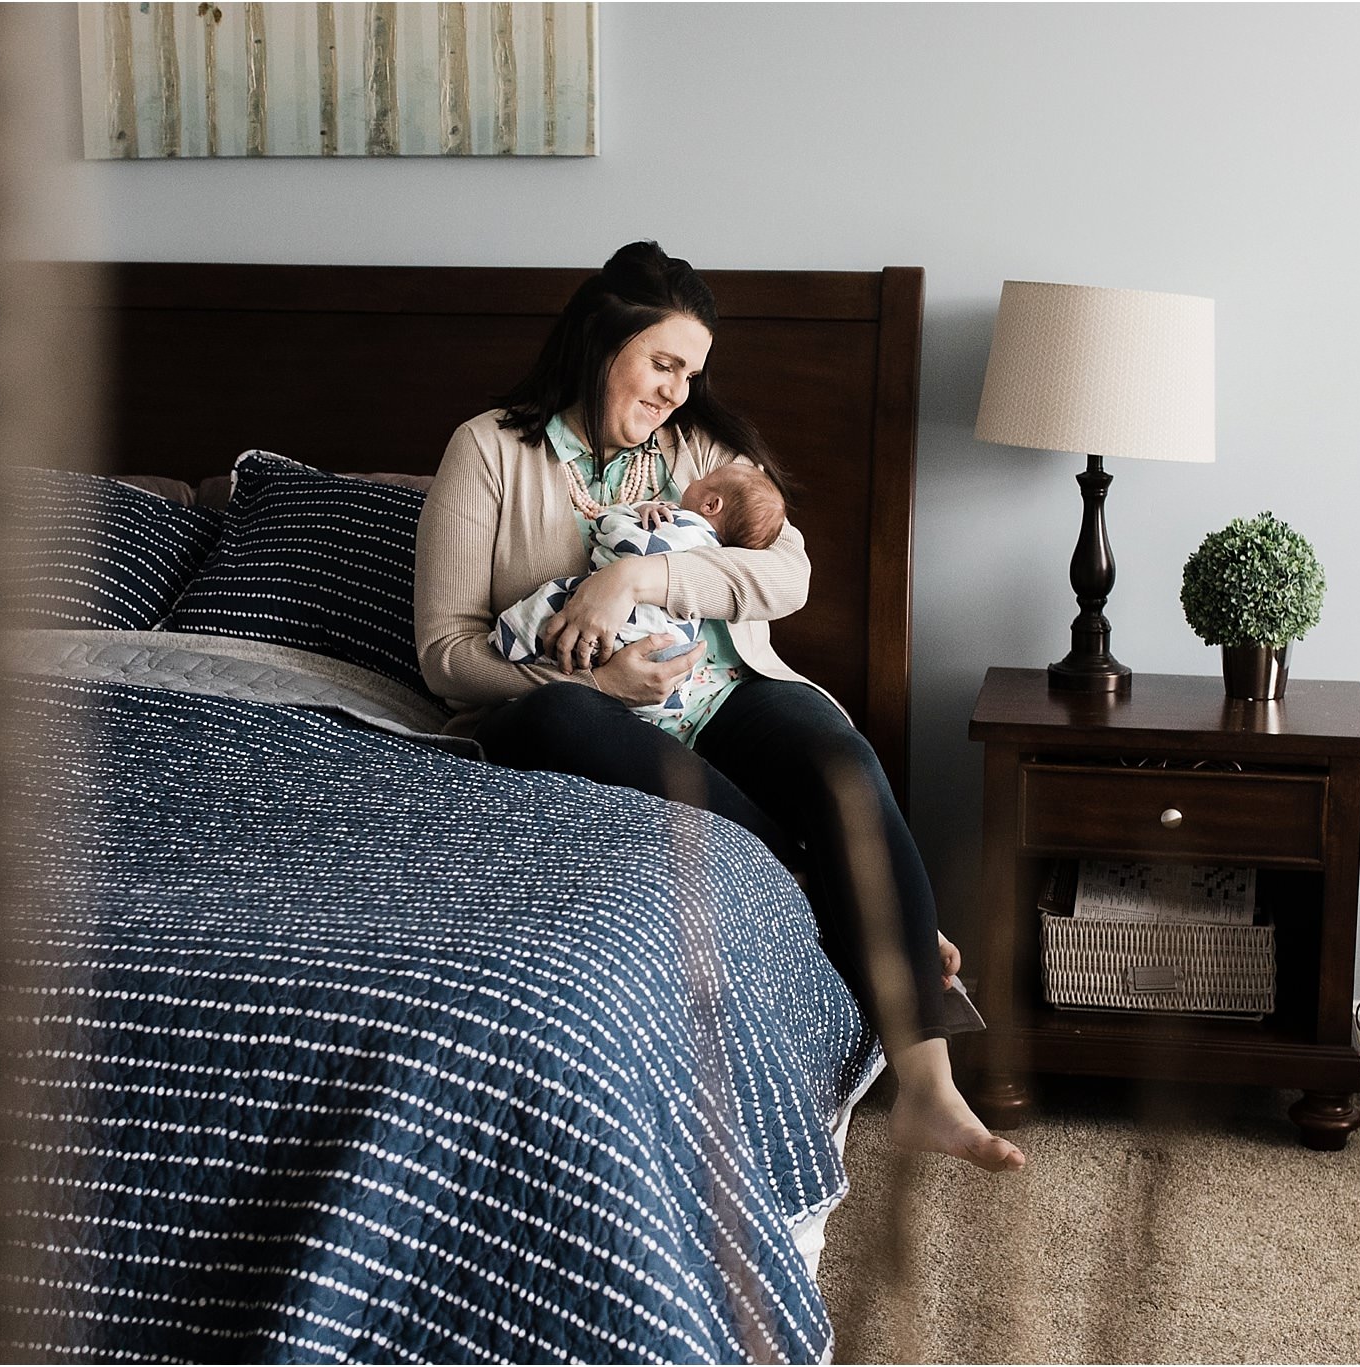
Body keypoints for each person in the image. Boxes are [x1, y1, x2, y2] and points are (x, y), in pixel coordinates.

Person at [414, 240, 1024, 1173]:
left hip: (718, 690)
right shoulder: (489, 449)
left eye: (690, 372)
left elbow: (787, 572)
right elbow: (445, 653)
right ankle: (831, 892)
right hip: (572, 710)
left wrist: (643, 574)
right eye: (663, 363)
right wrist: (592, 682)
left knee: (842, 764)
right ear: (597, 341)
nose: (675, 391)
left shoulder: (696, 450)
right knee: (563, 722)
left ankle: (930, 1083)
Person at [492, 463, 789, 736]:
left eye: (702, 480)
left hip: (709, 680)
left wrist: (631, 526)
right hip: (667, 673)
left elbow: (615, 532)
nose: (693, 478)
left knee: (552, 612)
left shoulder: (677, 524)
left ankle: (511, 641)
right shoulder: (718, 550)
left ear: (711, 504)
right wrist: (605, 683)